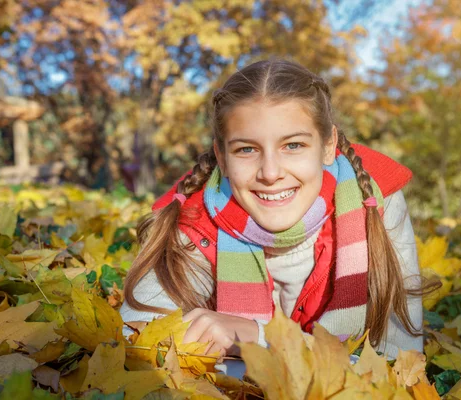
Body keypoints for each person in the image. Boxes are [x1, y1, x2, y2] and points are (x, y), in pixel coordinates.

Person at [120, 58, 427, 362]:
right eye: (247, 149)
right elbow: (137, 345)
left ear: (327, 145)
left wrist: (257, 338)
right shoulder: (191, 220)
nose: (270, 172)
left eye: (292, 145)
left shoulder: (375, 203)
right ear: (222, 157)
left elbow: (401, 367)